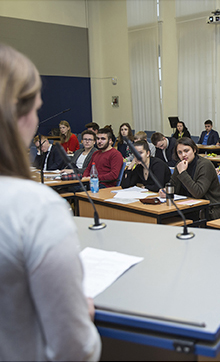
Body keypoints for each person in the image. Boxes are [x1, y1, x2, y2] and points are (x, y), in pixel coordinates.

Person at [0, 43, 100, 361]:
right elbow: (75, 348)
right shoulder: (35, 208)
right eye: (37, 109)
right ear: (21, 115)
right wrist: (81, 313)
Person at [164, 138, 220, 220]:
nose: (183, 155)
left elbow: (198, 193)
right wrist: (166, 191)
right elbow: (173, 187)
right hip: (188, 205)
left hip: (211, 208)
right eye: (180, 152)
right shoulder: (180, 165)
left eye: (186, 151)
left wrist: (183, 173)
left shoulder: (205, 165)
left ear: (194, 150)